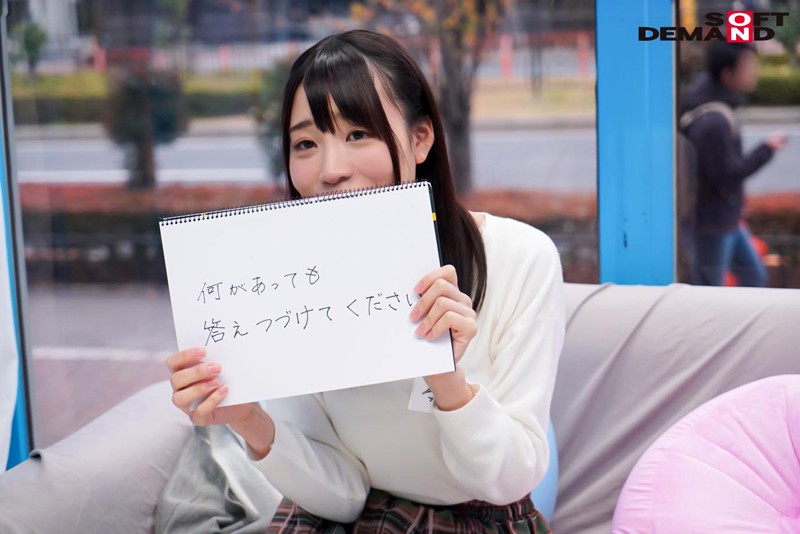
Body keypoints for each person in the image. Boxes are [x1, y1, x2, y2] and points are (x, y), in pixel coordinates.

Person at [166, 30, 564, 533]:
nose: (331, 170)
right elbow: (345, 496)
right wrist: (248, 420)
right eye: (306, 143)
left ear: (420, 138)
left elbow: (508, 481)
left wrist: (445, 378)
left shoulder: (521, 258)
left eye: (358, 134)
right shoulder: (287, 285)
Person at [680, 41, 787, 287]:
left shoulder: (713, 106)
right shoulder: (713, 122)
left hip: (724, 218)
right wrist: (766, 150)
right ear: (727, 74)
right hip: (711, 223)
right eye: (748, 67)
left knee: (753, 276)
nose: (755, 73)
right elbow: (727, 176)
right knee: (711, 289)